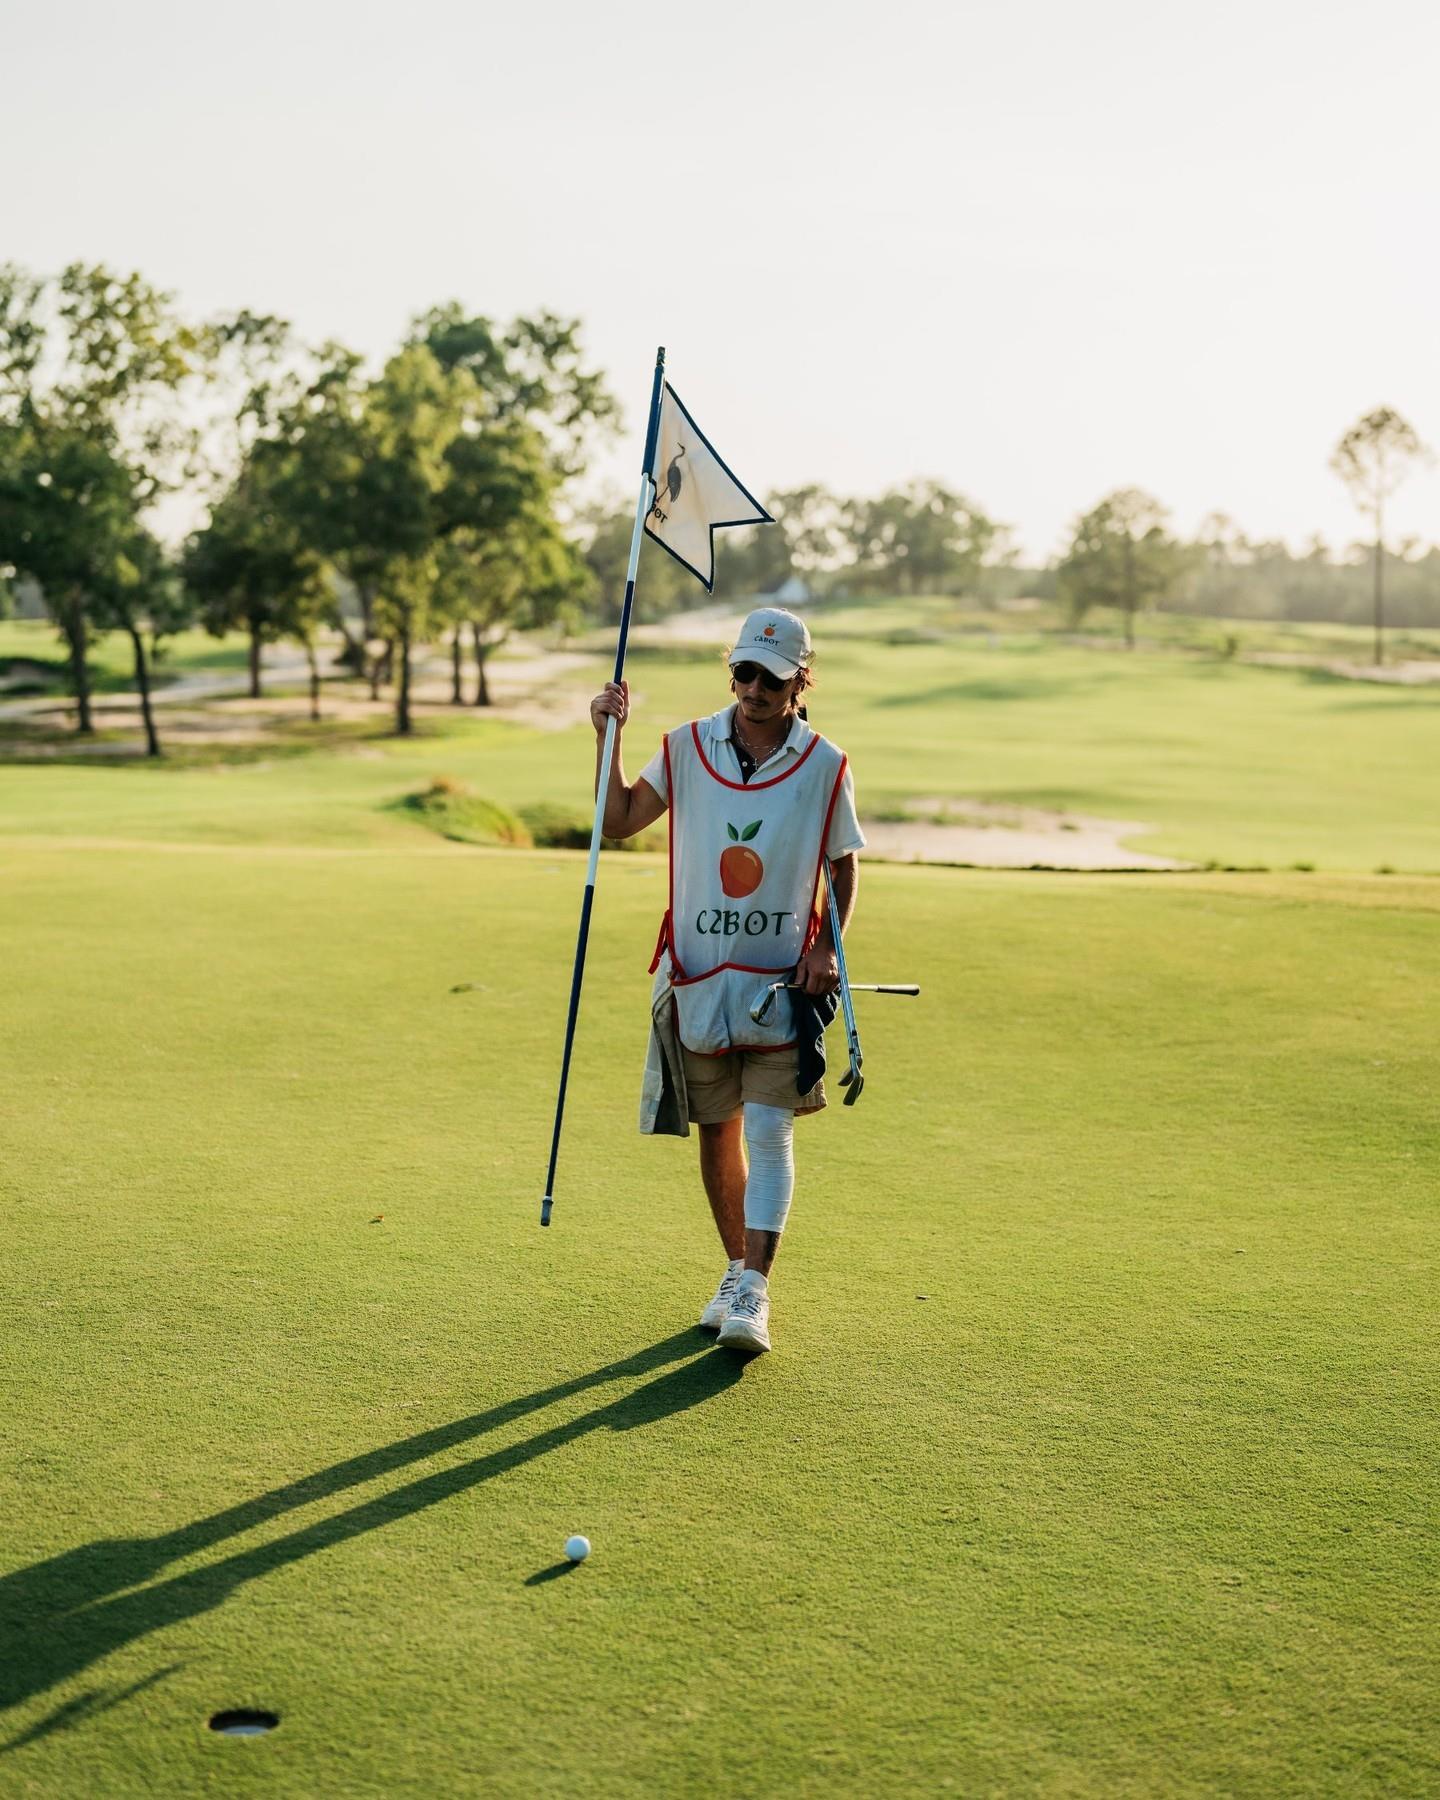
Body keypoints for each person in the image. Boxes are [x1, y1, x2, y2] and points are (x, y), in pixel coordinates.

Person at [590, 606, 864, 1356]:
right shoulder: (685, 747)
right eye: (744, 672)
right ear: (731, 670)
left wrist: (827, 948)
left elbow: (843, 865)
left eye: (772, 678)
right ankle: (739, 1269)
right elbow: (618, 819)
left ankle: (754, 1292)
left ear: (801, 681)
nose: (755, 689)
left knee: (770, 1132)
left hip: (781, 986)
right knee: (719, 1132)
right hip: (699, 978)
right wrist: (607, 736)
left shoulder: (825, 764)